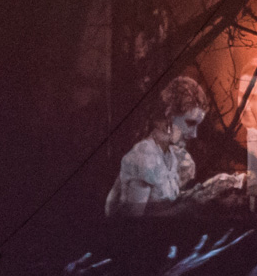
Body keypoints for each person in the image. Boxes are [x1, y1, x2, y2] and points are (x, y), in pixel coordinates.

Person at [104, 74, 243, 217]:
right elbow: (133, 223)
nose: (194, 134)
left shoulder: (172, 155)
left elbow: (164, 204)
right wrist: (190, 204)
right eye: (190, 123)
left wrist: (206, 190)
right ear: (169, 116)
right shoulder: (145, 156)